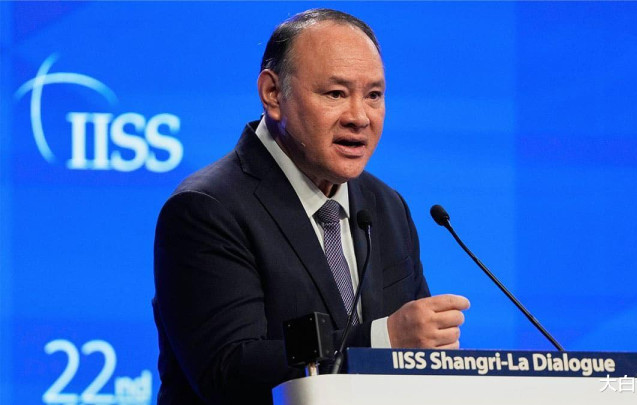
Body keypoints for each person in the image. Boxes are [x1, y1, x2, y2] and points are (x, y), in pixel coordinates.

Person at [153, 8, 470, 405]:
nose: (359, 117)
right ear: (273, 94)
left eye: (373, 95)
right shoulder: (206, 209)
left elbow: (417, 355)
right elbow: (228, 371)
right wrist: (383, 339)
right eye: (335, 94)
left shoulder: (385, 205)